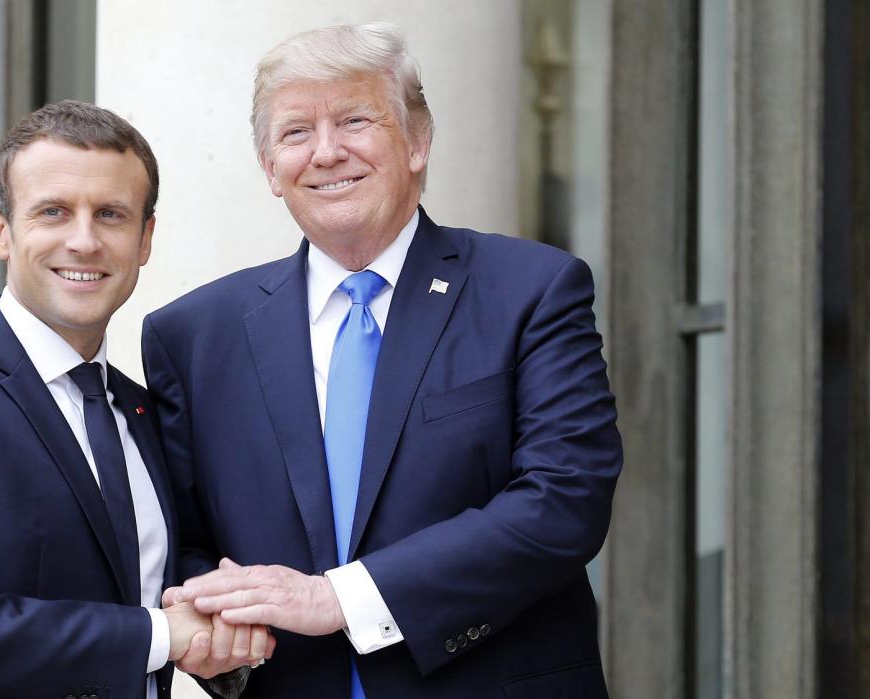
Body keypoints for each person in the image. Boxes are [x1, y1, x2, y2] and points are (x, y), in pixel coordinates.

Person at [144, 23, 623, 698]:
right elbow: (186, 543)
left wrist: (341, 598)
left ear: (418, 140)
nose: (327, 152)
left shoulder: (531, 289)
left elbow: (564, 500)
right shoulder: (192, 334)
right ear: (269, 169)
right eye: (295, 132)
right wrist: (220, 633)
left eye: (355, 119)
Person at [0, 101, 268, 699]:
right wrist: (159, 635)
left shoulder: (143, 411)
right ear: (1, 230)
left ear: (145, 239)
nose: (84, 240)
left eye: (112, 215)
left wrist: (222, 619)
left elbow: (148, 579)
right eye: (53, 212)